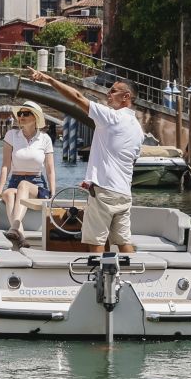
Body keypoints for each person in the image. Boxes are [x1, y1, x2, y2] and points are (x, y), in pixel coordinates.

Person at [29, 69, 143, 253]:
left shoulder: (111, 117)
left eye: (113, 91)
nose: (108, 93)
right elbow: (132, 162)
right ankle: (132, 276)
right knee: (123, 242)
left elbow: (76, 97)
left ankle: (99, 278)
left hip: (104, 191)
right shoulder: (138, 130)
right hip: (124, 193)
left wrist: (49, 79)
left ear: (126, 97)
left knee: (96, 240)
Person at [0, 100, 56, 249]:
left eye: (26, 114)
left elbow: (50, 170)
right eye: (20, 113)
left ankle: (14, 227)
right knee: (9, 194)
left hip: (37, 184)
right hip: (14, 181)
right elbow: (6, 165)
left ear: (35, 117)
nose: (21, 116)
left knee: (23, 185)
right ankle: (20, 236)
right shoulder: (11, 135)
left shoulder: (45, 139)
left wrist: (53, 194)